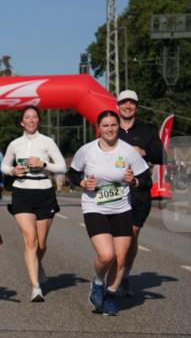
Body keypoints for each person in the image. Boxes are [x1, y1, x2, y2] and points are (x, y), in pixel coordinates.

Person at [67, 110, 151, 316]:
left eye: (113, 125)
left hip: (122, 208)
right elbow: (72, 174)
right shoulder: (87, 151)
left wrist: (134, 181)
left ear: (118, 127)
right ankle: (97, 283)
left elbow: (146, 180)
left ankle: (110, 295)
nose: (110, 129)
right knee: (106, 255)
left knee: (121, 259)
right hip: (94, 207)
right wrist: (82, 182)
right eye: (105, 125)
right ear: (99, 128)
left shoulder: (128, 151)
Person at [1, 106, 67, 302]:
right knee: (30, 240)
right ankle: (36, 287)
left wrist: (43, 165)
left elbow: (62, 166)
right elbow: (4, 165)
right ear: (22, 122)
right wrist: (13, 171)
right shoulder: (15, 144)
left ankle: (38, 264)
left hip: (44, 192)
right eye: (27, 117)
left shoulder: (47, 142)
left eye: (34, 117)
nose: (31, 120)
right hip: (22, 192)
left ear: (38, 121)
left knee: (41, 243)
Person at [115, 90, 161, 297]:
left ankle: (124, 275)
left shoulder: (148, 130)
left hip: (139, 189)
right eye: (124, 103)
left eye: (131, 103)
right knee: (117, 236)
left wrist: (144, 152)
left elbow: (161, 156)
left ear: (136, 106)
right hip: (114, 190)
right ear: (118, 106)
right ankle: (115, 272)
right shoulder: (109, 128)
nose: (128, 106)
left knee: (132, 234)